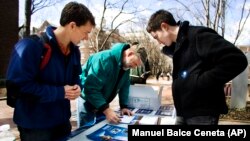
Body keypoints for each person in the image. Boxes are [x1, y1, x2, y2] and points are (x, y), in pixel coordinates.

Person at [6, 2, 95, 140]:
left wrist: (77, 87)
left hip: (62, 123)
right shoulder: (31, 46)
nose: (86, 38)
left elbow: (76, 77)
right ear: (72, 25)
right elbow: (18, 87)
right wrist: (60, 92)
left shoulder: (75, 52)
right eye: (85, 32)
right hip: (36, 127)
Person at [146, 9, 248, 125]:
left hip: (202, 113)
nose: (158, 42)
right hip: (182, 111)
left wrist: (199, 82)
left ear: (164, 26)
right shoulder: (179, 45)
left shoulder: (198, 36)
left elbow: (236, 59)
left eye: (156, 37)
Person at [79, 43, 142, 127]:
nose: (134, 68)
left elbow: (124, 86)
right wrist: (106, 110)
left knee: (100, 128)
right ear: (129, 54)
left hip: (102, 103)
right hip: (88, 102)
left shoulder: (126, 65)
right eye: (134, 64)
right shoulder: (103, 59)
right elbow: (91, 89)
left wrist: (123, 106)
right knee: (86, 131)